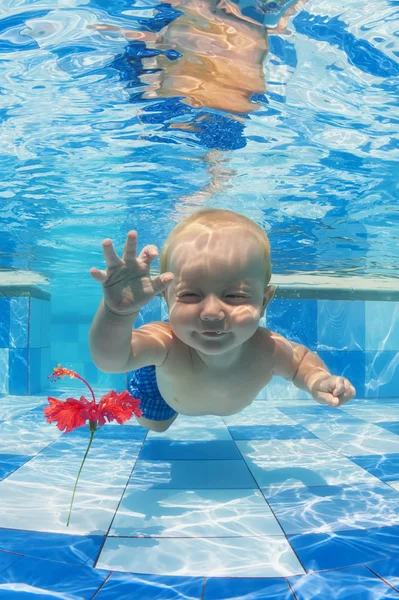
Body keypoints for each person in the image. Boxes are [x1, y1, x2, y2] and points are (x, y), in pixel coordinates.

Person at [89, 208, 356, 432]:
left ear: (263, 302)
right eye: (191, 295)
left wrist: (317, 381)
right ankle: (144, 368)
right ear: (167, 300)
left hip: (188, 391)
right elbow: (111, 361)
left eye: (235, 296)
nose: (212, 313)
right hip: (162, 389)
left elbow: (301, 364)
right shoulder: (165, 342)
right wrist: (118, 313)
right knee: (156, 426)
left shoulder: (268, 348)